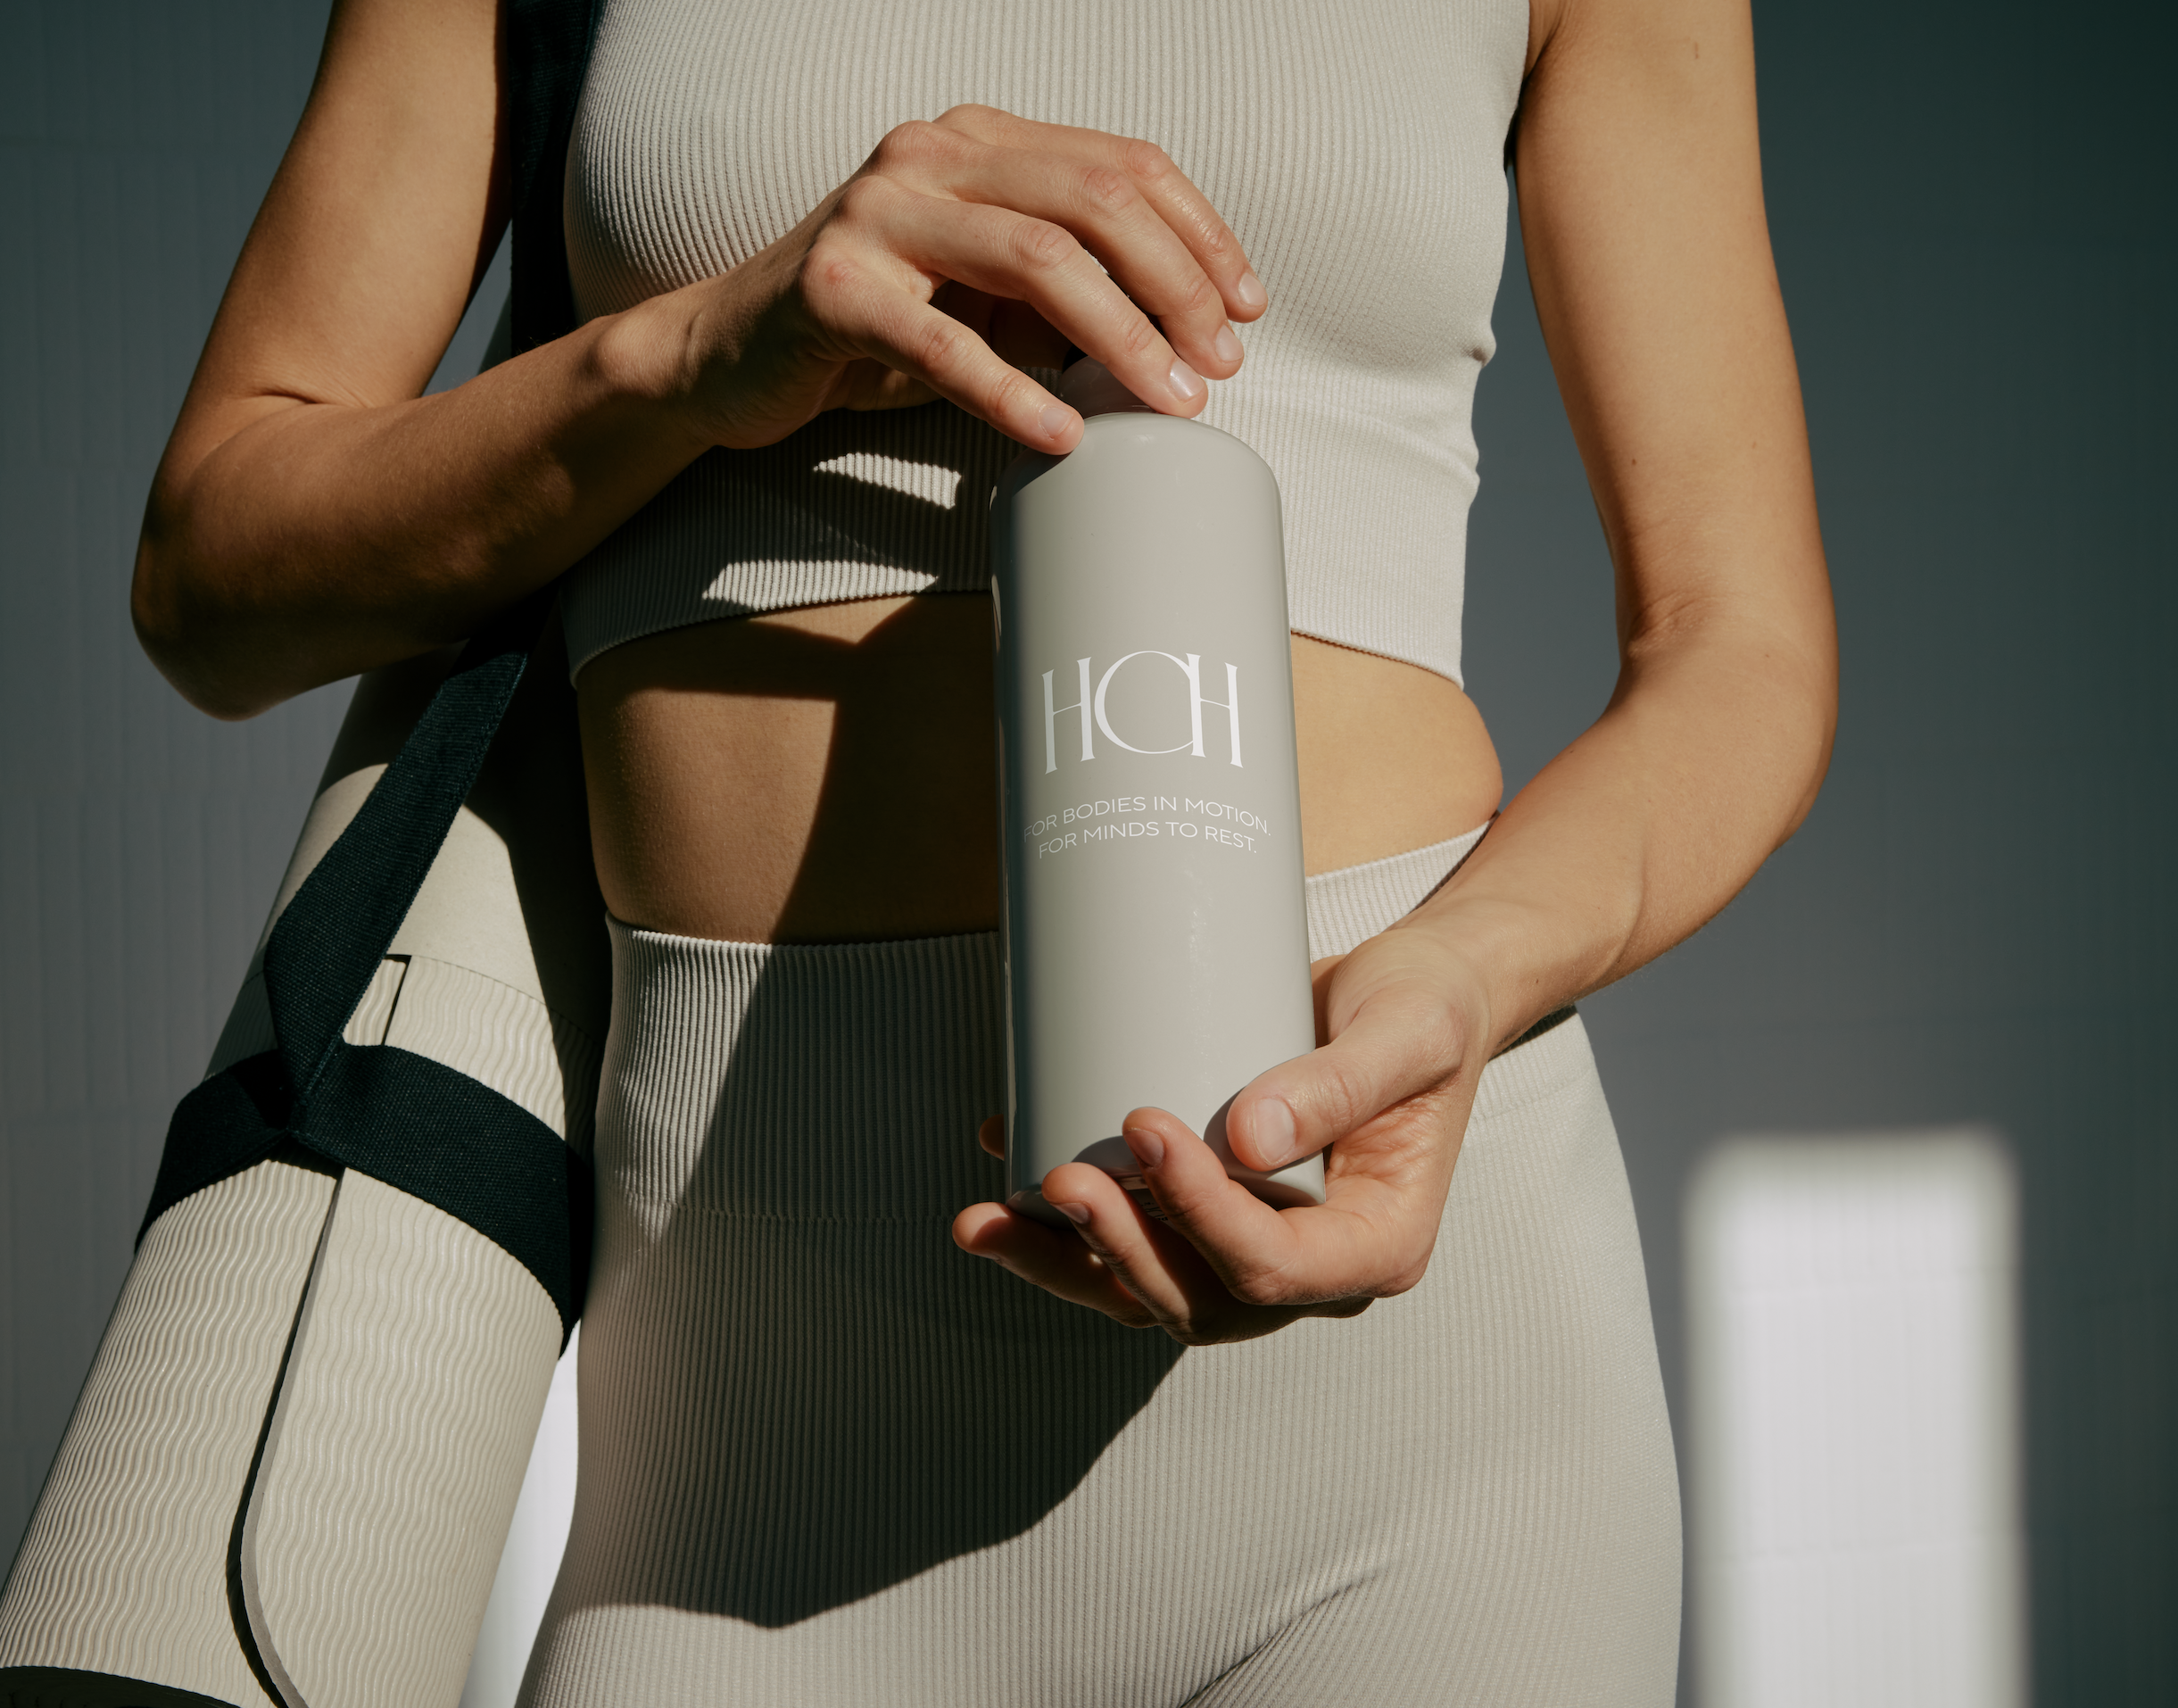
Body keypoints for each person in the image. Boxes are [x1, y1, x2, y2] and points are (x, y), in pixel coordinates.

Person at [130, 0, 1834, 1700]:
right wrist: (692, 352)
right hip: (750, 1429)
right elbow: (212, 573)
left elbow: (1735, 645)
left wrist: (1462, 984)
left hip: (1411, 1362)